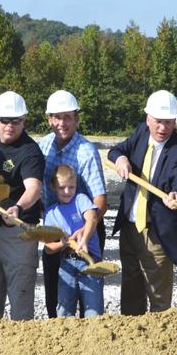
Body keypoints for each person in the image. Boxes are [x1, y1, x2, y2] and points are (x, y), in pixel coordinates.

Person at [109, 90, 177, 315]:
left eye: (168, 122)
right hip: (130, 228)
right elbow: (116, 150)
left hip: (156, 233)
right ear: (148, 119)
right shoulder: (140, 133)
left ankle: (160, 333)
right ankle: (132, 332)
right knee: (131, 289)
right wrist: (121, 159)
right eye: (158, 121)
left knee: (158, 295)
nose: (162, 128)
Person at [0, 90, 45, 320]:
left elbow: (34, 188)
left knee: (20, 298)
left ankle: (21, 340)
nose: (10, 126)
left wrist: (19, 208)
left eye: (16, 121)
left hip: (18, 234)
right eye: (5, 120)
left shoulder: (30, 151)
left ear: (24, 121)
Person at [37, 90, 107, 319]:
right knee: (56, 299)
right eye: (57, 117)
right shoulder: (44, 146)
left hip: (86, 230)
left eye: (67, 117)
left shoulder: (86, 151)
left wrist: (85, 231)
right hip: (55, 229)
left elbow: (100, 201)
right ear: (49, 119)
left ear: (76, 119)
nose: (62, 123)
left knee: (90, 299)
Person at [42, 164, 104, 317]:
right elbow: (48, 248)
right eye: (62, 188)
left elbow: (92, 218)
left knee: (93, 310)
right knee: (64, 310)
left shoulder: (80, 199)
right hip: (66, 263)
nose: (67, 191)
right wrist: (63, 243)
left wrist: (84, 239)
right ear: (53, 187)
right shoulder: (51, 213)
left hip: (90, 262)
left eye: (71, 187)